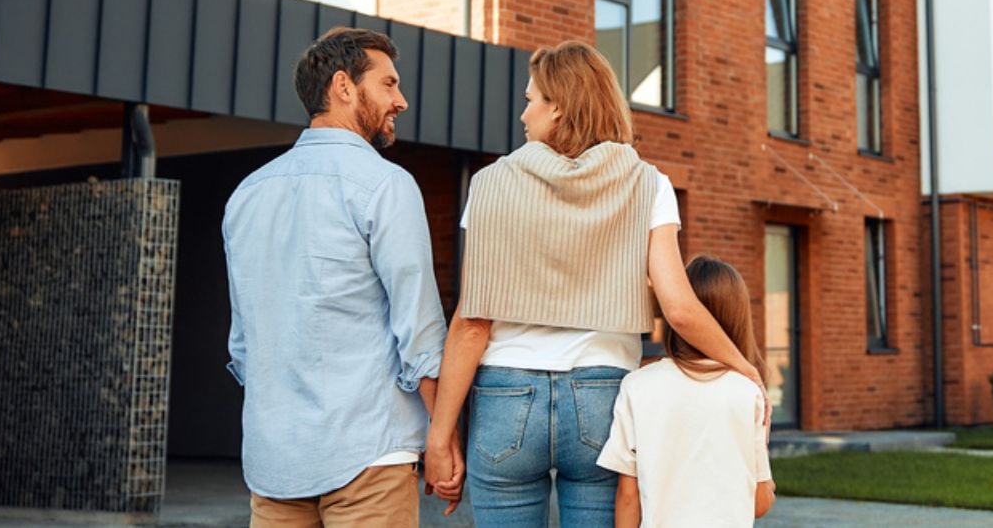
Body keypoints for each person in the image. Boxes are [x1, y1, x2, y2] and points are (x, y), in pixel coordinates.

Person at [425, 40, 764, 528]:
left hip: (505, 396)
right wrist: (745, 367)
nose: (524, 114)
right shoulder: (649, 184)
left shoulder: (490, 183)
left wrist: (440, 438)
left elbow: (472, 322)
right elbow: (679, 307)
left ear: (558, 105)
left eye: (531, 99)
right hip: (602, 396)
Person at [223, 27, 459, 526]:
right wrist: (443, 439)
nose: (402, 100)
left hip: (274, 461)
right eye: (388, 84)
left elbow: (244, 345)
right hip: (368, 454)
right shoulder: (385, 185)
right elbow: (418, 332)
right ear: (343, 87)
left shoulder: (246, 194)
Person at [598, 255, 776, 527]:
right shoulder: (747, 393)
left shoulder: (637, 385)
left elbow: (627, 497)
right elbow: (759, 503)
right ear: (737, 319)